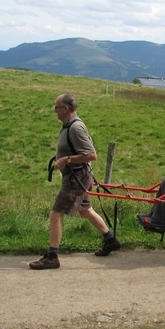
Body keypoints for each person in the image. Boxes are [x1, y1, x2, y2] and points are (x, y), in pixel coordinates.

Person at [29, 93, 121, 270]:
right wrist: (61, 155)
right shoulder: (68, 125)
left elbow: (92, 155)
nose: (54, 111)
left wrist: (67, 160)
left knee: (56, 214)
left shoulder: (75, 127)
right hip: (77, 176)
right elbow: (74, 148)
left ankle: (52, 256)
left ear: (65, 109)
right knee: (85, 210)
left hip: (76, 178)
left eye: (56, 107)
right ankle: (110, 240)